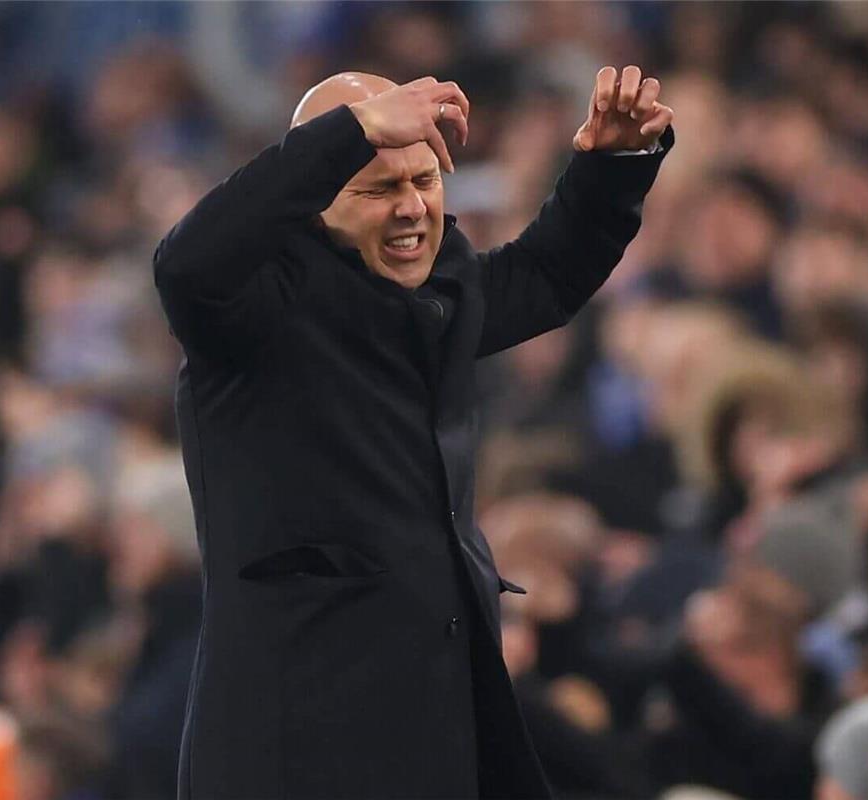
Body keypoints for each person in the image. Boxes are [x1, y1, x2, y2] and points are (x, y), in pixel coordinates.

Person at [153, 68, 673, 798]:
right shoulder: (251, 313)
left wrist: (611, 165)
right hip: (300, 753)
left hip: (438, 731)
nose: (411, 209)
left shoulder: (436, 297)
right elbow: (186, 266)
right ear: (314, 202)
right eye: (377, 189)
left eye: (424, 181)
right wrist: (355, 129)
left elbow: (546, 277)